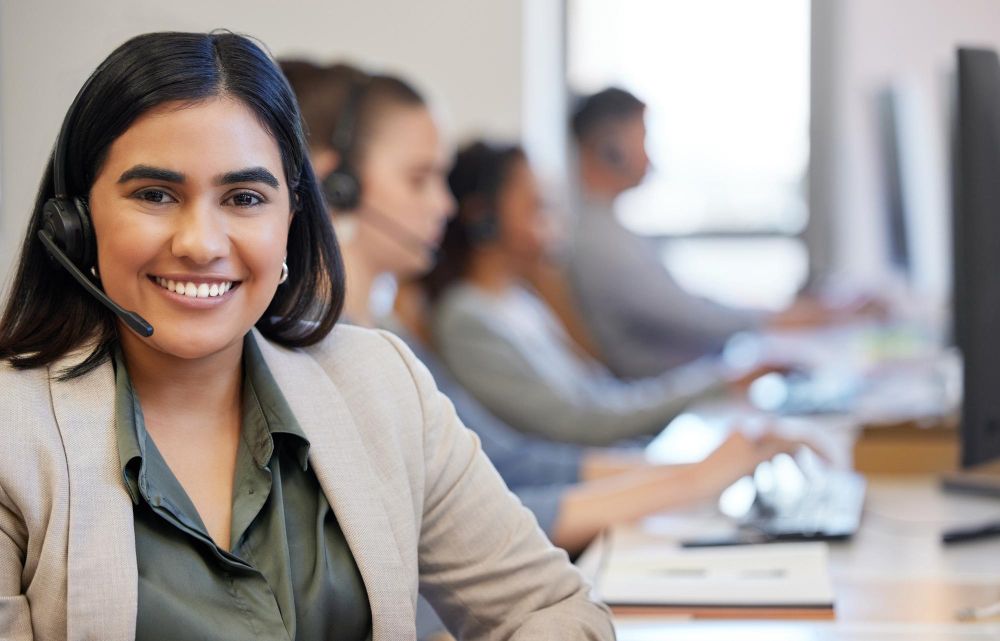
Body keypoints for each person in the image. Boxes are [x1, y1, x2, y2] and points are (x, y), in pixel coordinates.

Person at [0, 32, 614, 641]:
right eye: (155, 194)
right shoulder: (12, 434)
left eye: (243, 198)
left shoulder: (378, 383)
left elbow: (557, 612)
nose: (201, 244)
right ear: (75, 221)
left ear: (291, 220)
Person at [280, 60, 804, 560]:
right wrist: (691, 477)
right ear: (336, 187)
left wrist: (690, 470)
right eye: (420, 178)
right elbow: (466, 517)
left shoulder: (396, 335)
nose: (444, 205)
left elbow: (501, 465)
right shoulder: (337, 352)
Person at [425, 141, 772, 447]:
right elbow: (583, 422)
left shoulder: (520, 301)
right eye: (537, 207)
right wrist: (716, 383)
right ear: (482, 216)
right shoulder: (466, 318)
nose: (554, 222)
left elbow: (603, 395)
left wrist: (719, 380)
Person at [565, 87, 848, 380]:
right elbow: (689, 317)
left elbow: (686, 304)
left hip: (691, 376)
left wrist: (776, 313)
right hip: (672, 389)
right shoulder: (602, 241)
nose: (651, 158)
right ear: (611, 147)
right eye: (643, 138)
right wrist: (778, 318)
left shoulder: (610, 230)